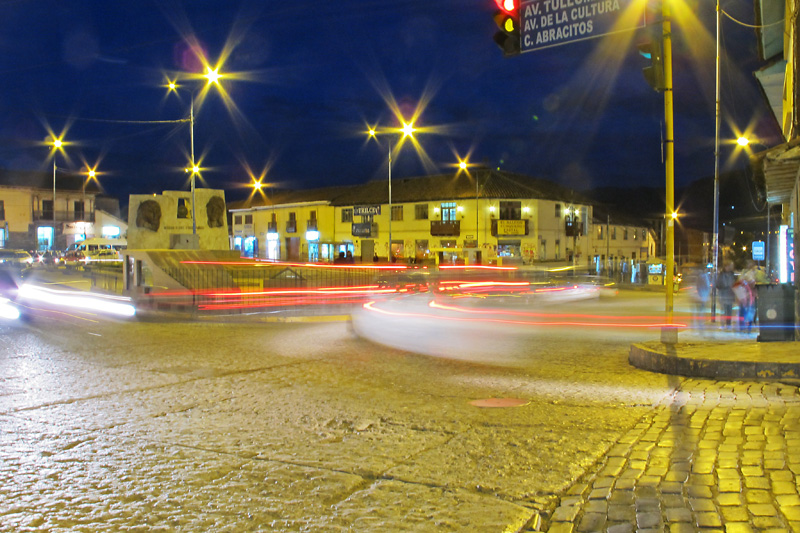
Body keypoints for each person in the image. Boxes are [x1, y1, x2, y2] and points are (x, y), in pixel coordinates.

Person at [716, 261, 736, 329]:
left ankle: (728, 324)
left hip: (730, 295)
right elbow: (717, 284)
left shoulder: (732, 274)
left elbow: (734, 283)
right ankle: (722, 324)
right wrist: (725, 286)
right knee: (723, 310)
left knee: (729, 310)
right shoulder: (721, 275)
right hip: (723, 295)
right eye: (729, 266)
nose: (730, 268)